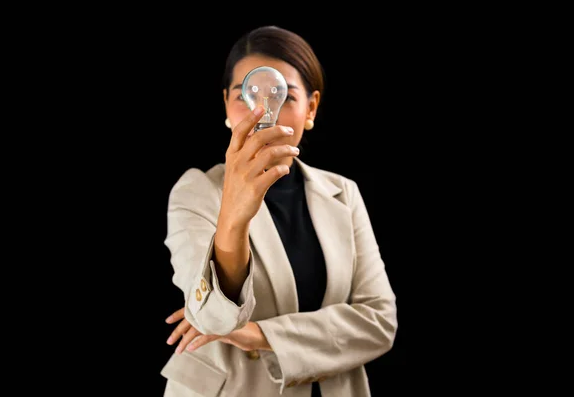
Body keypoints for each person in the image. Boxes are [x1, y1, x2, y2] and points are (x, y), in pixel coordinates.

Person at [160, 25, 397, 397]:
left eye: (282, 95)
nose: (262, 111)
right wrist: (234, 214)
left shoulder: (344, 193)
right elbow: (211, 316)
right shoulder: (197, 191)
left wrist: (258, 335)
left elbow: (380, 322)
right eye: (246, 95)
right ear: (225, 104)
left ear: (311, 108)